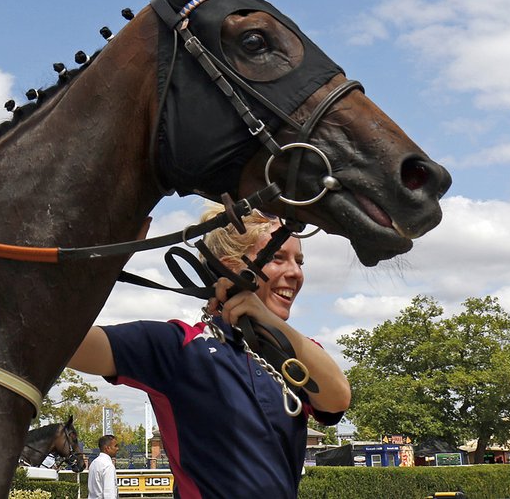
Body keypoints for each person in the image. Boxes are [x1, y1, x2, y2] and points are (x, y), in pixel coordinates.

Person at [69, 204, 351, 499]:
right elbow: (69, 346)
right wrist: (107, 264)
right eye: (278, 257)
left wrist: (267, 321)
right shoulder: (179, 347)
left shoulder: (294, 355)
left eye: (300, 261)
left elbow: (337, 399)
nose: (295, 272)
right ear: (231, 267)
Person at [87, 434, 118, 499]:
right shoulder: (108, 466)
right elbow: (109, 494)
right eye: (115, 446)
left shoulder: (94, 463)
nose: (117, 449)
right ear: (107, 448)